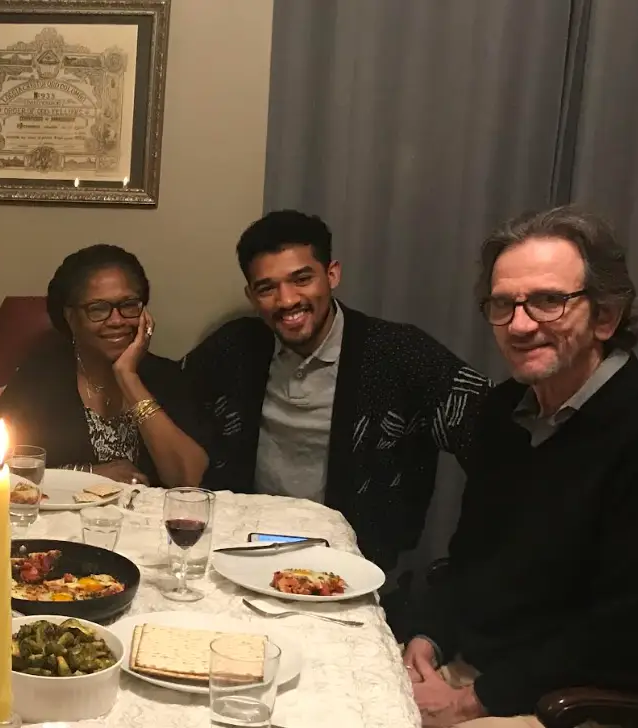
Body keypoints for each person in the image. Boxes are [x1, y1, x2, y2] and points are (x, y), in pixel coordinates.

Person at [404, 206, 638, 727]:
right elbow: (470, 556)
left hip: (582, 701)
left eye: (549, 302)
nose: (521, 325)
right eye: (503, 305)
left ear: (605, 317)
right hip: (485, 670)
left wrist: (469, 701)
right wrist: (429, 635)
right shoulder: (501, 411)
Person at [182, 210, 491, 572]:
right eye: (267, 287)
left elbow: (496, 438)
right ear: (251, 295)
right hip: (245, 553)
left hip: (357, 564)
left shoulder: (398, 353)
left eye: (301, 279)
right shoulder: (236, 347)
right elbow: (172, 396)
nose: (286, 300)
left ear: (332, 275)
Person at [0, 244, 209, 486]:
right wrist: (85, 474)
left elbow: (191, 481)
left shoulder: (167, 377)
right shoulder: (38, 379)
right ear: (70, 317)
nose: (117, 320)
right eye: (98, 309)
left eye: (128, 305)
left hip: (148, 521)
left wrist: (128, 377)